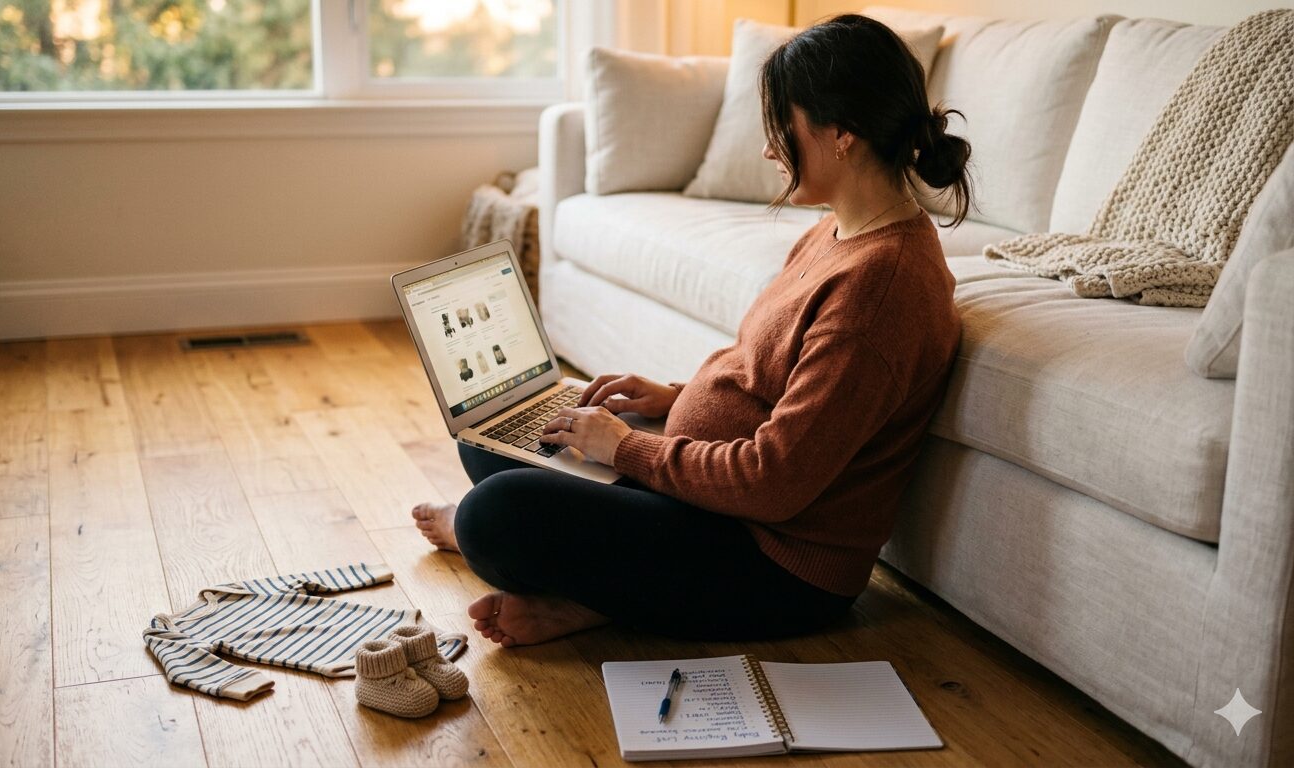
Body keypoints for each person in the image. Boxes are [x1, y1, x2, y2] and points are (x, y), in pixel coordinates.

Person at [411, 14, 971, 648]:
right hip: (708, 502)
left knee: (493, 516)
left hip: (772, 563)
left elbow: (775, 481)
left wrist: (623, 448)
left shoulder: (881, 290)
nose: (769, 149)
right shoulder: (839, 230)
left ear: (841, 133)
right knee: (491, 438)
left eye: (781, 126)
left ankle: (593, 597)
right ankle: (599, 595)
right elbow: (781, 385)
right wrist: (673, 399)